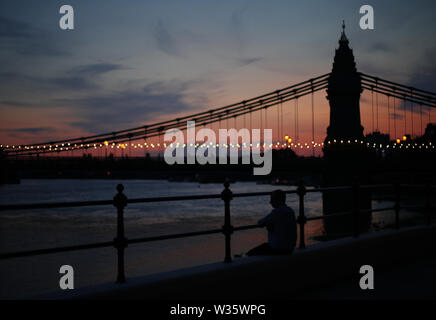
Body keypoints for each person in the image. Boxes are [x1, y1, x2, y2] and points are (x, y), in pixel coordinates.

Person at [246, 190, 297, 256]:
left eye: (272, 199)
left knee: (251, 253)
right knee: (264, 245)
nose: (270, 202)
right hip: (290, 248)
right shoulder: (290, 211)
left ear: (277, 200)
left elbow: (260, 223)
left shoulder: (276, 213)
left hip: (278, 249)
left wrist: (269, 224)